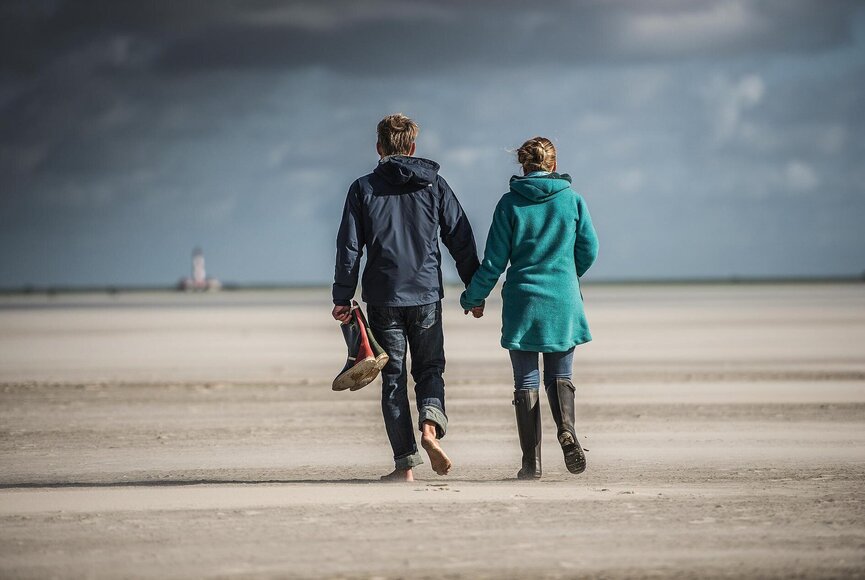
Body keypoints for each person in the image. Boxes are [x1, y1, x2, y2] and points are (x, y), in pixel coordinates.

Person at [332, 114, 481, 482]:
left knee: (394, 378)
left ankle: (405, 466)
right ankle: (430, 429)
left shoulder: (362, 188)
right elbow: (459, 236)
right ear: (412, 148)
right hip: (427, 294)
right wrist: (474, 287)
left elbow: (349, 248)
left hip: (384, 297)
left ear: (379, 147)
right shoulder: (435, 185)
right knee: (430, 369)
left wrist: (343, 295)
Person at [460, 137, 598, 479]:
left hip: (523, 301)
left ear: (523, 166)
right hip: (562, 300)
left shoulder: (509, 204)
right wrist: (567, 275)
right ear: (553, 164)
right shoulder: (573, 200)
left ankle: (531, 464)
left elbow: (493, 262)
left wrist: (473, 298)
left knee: (526, 380)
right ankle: (566, 429)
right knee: (560, 376)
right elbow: (590, 249)